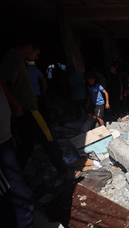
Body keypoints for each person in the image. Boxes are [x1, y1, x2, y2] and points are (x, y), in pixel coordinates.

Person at [0, 38, 81, 180]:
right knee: (48, 138)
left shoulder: (18, 61)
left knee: (27, 144)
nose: (36, 57)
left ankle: (14, 177)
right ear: (29, 48)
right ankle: (63, 171)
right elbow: (2, 83)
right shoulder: (13, 59)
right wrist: (17, 105)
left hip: (25, 109)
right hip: (28, 110)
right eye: (36, 53)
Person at [0, 81, 64, 228]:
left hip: (4, 140)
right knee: (17, 202)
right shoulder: (11, 62)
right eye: (36, 51)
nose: (37, 56)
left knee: (15, 200)